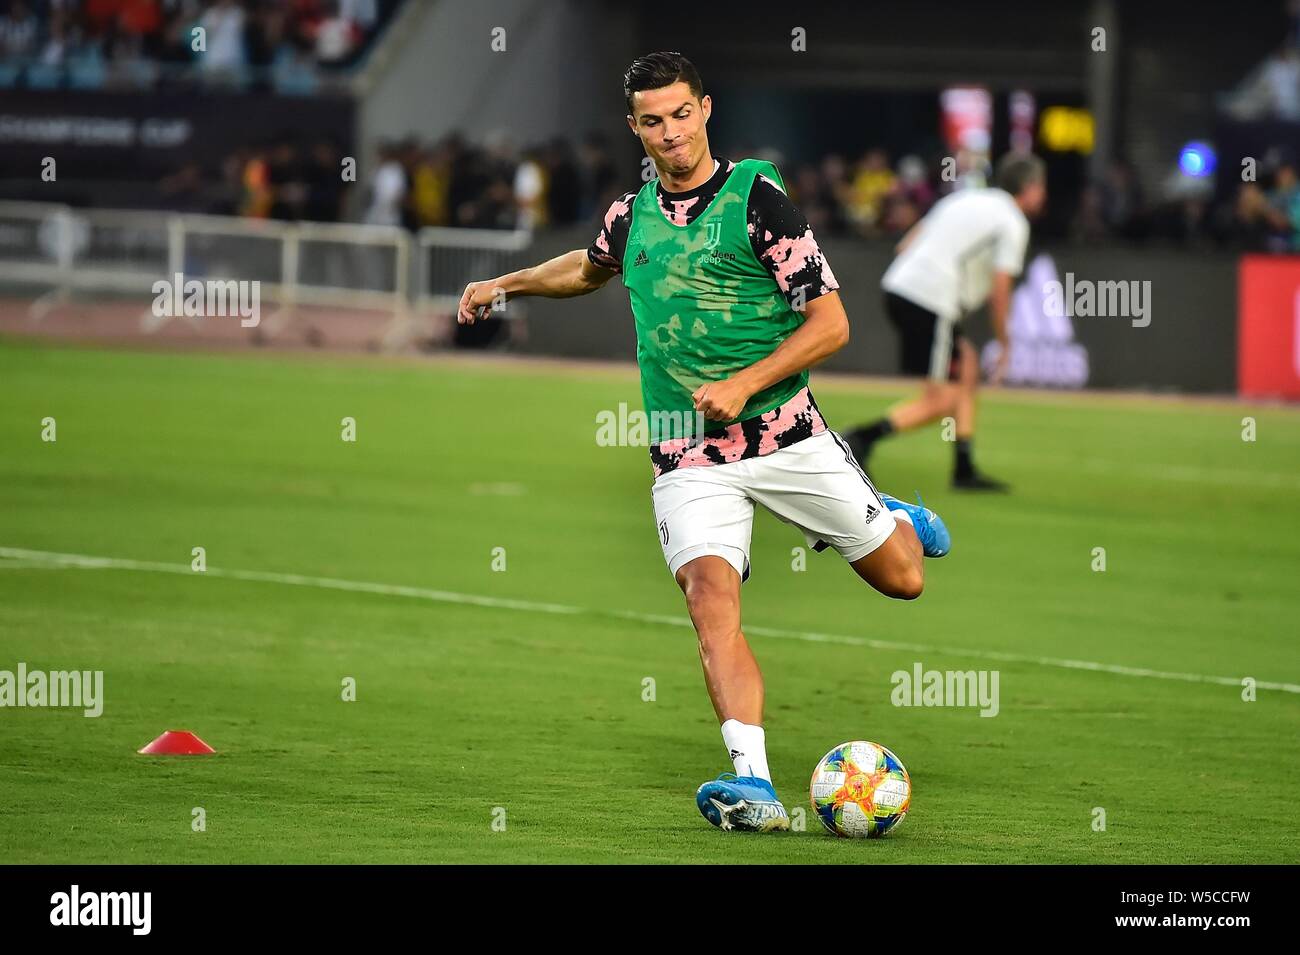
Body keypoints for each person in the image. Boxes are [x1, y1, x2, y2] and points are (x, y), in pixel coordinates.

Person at [457, 52, 950, 833]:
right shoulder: (631, 215)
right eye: (652, 121)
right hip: (687, 452)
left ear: (706, 109)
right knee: (710, 600)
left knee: (904, 580)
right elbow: (588, 271)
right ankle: (750, 780)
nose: (670, 134)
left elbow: (832, 324)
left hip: (788, 435)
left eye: (681, 114)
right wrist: (506, 283)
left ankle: (890, 518)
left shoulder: (758, 200)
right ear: (635, 128)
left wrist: (746, 384)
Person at [843, 153, 1047, 491]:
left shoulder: (966, 197)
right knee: (940, 400)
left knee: (965, 369)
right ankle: (858, 440)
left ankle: (964, 467)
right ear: (1028, 187)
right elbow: (1000, 291)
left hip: (901, 287)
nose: (1043, 194)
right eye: (1041, 186)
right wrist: (1006, 342)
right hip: (930, 299)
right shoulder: (1013, 222)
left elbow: (906, 244)